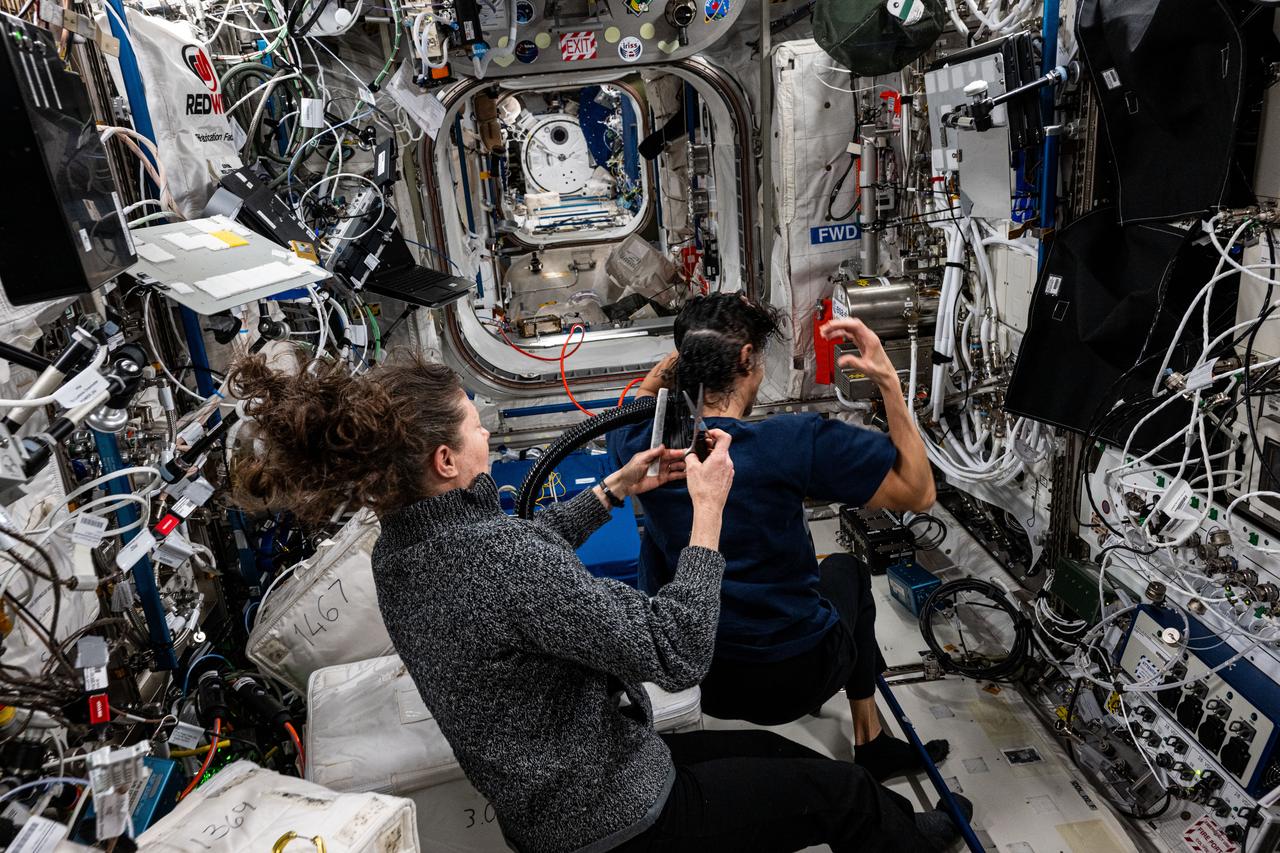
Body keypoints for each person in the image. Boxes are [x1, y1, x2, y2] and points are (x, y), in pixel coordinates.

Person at [231, 352, 969, 853]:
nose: (486, 425)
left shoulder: (403, 548)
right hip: (616, 816)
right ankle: (918, 839)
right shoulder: (496, 559)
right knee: (838, 794)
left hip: (558, 794)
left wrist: (615, 489)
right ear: (446, 460)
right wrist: (708, 511)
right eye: (472, 418)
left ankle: (900, 827)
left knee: (786, 758)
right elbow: (678, 651)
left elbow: (525, 557)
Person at [608, 292, 948, 782]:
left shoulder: (640, 447)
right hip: (793, 678)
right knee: (846, 571)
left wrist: (668, 370)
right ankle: (871, 743)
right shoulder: (791, 442)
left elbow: (641, 399)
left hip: (700, 676)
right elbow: (919, 492)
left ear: (685, 363)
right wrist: (890, 384)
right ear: (747, 358)